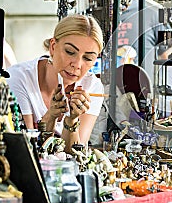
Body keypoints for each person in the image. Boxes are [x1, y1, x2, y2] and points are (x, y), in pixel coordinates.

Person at [7, 14, 104, 152]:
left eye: (88, 58)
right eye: (70, 52)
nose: (77, 65)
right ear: (53, 47)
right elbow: (27, 149)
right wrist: (50, 116)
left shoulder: (92, 86)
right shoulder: (19, 78)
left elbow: (76, 155)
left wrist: (71, 120)